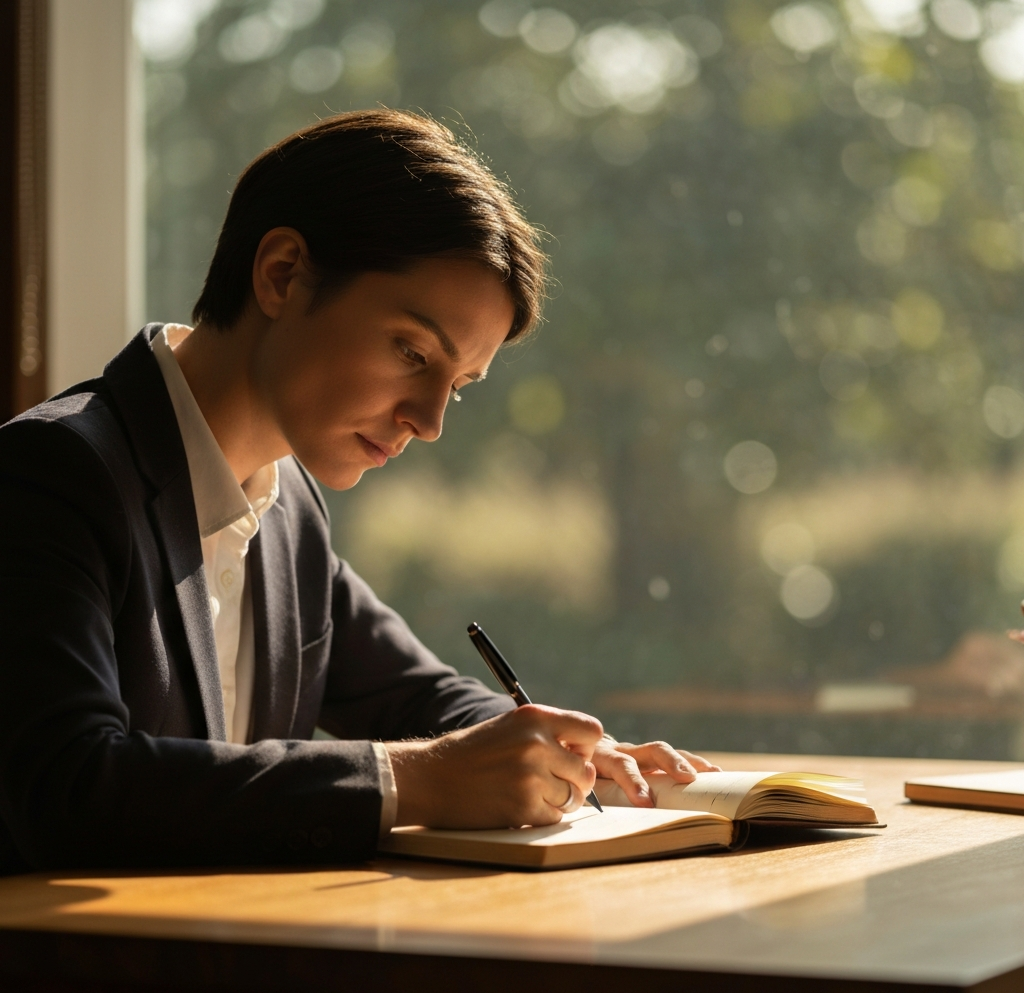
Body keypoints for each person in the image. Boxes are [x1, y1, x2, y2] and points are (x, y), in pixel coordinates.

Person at [0, 109, 718, 873]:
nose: (431, 420)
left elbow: (415, 698)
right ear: (282, 274)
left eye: (459, 386)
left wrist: (565, 751)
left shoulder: (287, 508)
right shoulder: (51, 474)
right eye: (412, 351)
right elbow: (64, 789)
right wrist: (415, 780)